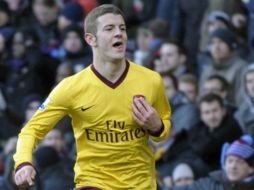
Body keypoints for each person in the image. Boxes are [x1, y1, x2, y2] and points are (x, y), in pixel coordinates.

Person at [13, 4, 171, 190]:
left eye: (122, 28)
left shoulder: (151, 80)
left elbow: (164, 129)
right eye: (109, 29)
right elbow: (31, 130)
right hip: (93, 183)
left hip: (140, 184)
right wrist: (23, 162)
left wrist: (157, 126)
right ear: (90, 39)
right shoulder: (71, 87)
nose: (119, 33)